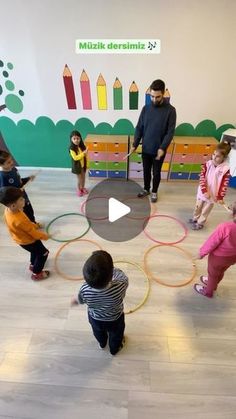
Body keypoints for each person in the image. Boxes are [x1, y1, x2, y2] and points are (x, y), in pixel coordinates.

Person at [71, 250, 128, 355]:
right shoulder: (120, 285)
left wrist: (74, 301)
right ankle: (114, 349)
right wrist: (111, 269)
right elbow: (123, 276)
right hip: (115, 318)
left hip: (95, 318)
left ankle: (102, 343)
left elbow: (79, 300)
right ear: (111, 275)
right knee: (116, 334)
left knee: (98, 332)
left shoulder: (84, 289)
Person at [130, 79, 176, 203]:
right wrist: (135, 144)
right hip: (146, 148)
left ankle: (154, 191)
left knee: (156, 173)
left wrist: (162, 147)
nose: (154, 99)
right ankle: (146, 189)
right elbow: (139, 127)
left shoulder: (171, 111)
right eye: (152, 96)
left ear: (163, 95)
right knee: (146, 171)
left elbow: (170, 132)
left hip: (159, 150)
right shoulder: (146, 108)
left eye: (158, 97)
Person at [0, 186, 50, 280]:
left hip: (22, 239)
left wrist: (35, 225)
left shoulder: (9, 210)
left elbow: (28, 225)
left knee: (35, 251)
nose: (24, 200)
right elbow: (33, 233)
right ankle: (37, 273)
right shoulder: (19, 220)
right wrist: (45, 236)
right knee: (44, 253)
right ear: (13, 205)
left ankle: (33, 265)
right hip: (29, 240)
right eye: (21, 199)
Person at [193, 201, 236, 298]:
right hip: (233, 258)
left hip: (218, 257)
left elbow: (212, 242)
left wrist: (201, 253)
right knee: (221, 271)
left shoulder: (225, 227)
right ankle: (214, 285)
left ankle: (208, 291)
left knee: (213, 274)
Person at [189, 141, 231, 230]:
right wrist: (204, 191)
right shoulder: (207, 164)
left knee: (205, 211)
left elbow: (224, 184)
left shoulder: (225, 169)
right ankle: (195, 218)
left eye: (218, 156)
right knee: (198, 207)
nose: (214, 157)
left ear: (224, 157)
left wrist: (220, 197)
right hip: (202, 192)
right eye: (214, 154)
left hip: (213, 195)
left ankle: (200, 223)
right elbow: (202, 178)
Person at [0, 149, 38, 223]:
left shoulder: (14, 169)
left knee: (29, 211)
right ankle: (27, 229)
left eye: (11, 160)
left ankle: (33, 224)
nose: (12, 163)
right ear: (1, 165)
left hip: (23, 196)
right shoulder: (2, 176)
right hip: (15, 201)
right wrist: (16, 193)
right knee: (22, 216)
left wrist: (28, 178)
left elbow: (19, 182)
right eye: (8, 162)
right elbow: (4, 193)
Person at [69, 130, 88, 197]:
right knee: (79, 179)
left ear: (80, 139)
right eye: (74, 139)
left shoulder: (81, 146)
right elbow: (75, 158)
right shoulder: (72, 149)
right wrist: (83, 153)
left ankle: (82, 188)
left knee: (83, 178)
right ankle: (79, 189)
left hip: (82, 166)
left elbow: (84, 157)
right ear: (71, 139)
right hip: (77, 167)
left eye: (78, 138)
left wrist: (85, 153)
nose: (76, 140)